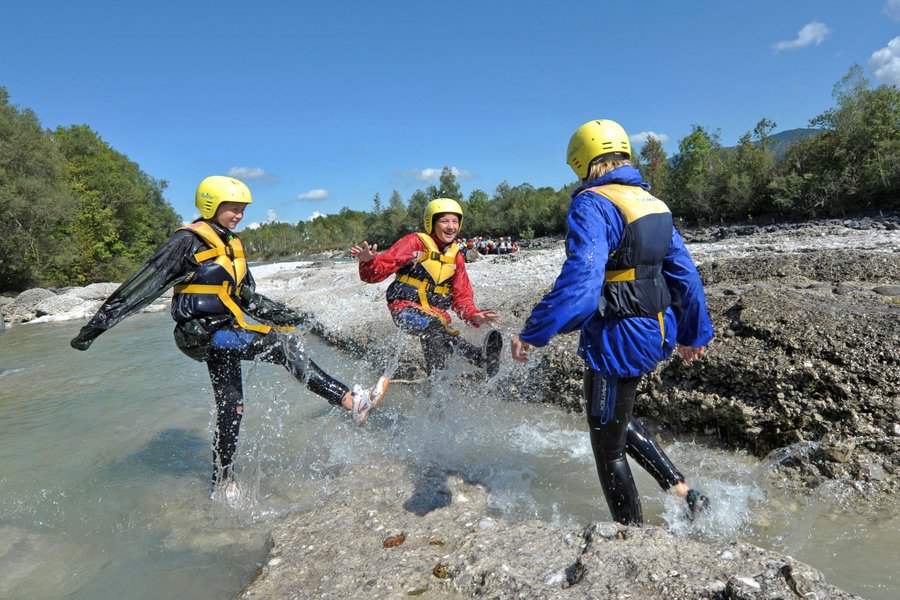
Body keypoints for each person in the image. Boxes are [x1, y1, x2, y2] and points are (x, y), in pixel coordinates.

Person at [70, 176, 388, 495]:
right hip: (200, 334)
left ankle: (222, 484)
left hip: (226, 332)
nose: (239, 215)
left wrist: (294, 317)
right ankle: (351, 401)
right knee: (281, 344)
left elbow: (247, 298)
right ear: (211, 206)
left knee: (231, 407)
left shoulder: (233, 245)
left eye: (242, 210)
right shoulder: (186, 241)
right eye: (232, 209)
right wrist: (95, 327)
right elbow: (143, 284)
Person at [511, 119, 714, 525]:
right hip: (657, 330)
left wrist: (535, 332)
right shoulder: (651, 202)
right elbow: (685, 274)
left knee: (607, 446)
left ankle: (630, 539)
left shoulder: (593, 203)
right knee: (614, 419)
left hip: (618, 339)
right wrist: (693, 332)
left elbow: (583, 283)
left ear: (582, 161)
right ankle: (682, 492)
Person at [350, 198, 503, 377]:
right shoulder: (414, 243)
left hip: (435, 314)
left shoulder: (456, 256)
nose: (451, 227)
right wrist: (369, 262)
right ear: (431, 223)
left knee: (439, 330)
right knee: (435, 327)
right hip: (404, 311)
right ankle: (442, 380)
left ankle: (478, 360)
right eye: (445, 221)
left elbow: (461, 296)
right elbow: (376, 273)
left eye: (455, 222)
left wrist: (472, 314)